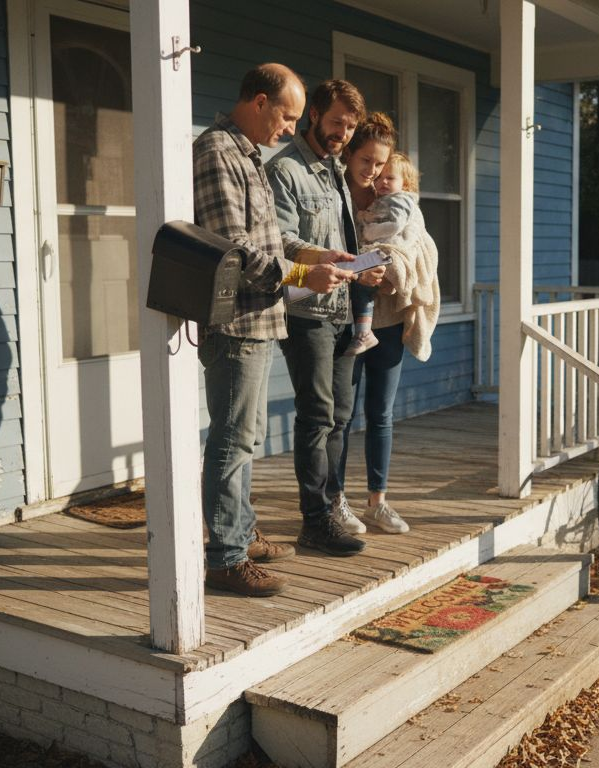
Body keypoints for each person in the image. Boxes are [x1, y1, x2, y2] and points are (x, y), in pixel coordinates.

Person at [193, 63, 354, 597]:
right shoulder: (218, 151)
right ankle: (225, 558)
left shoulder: (250, 155)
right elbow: (234, 248)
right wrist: (307, 276)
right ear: (259, 102)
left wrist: (319, 256)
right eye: (285, 117)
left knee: (248, 437)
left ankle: (241, 533)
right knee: (232, 440)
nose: (289, 128)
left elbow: (272, 241)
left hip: (262, 318)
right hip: (236, 320)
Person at [266, 80, 385, 556]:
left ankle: (333, 505)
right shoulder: (286, 170)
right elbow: (283, 241)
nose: (343, 133)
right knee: (316, 416)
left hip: (341, 310)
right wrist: (327, 257)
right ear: (313, 114)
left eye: (350, 125)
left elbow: (342, 244)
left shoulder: (336, 172)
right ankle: (313, 521)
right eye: (336, 122)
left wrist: (362, 268)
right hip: (305, 310)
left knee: (340, 416)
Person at [337, 115, 442, 535]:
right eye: (369, 162)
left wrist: (392, 267)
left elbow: (417, 249)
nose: (376, 173)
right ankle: (336, 502)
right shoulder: (339, 195)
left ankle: (377, 501)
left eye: (383, 167)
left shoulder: (402, 205)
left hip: (388, 318)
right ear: (351, 156)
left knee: (380, 413)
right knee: (340, 416)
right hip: (345, 317)